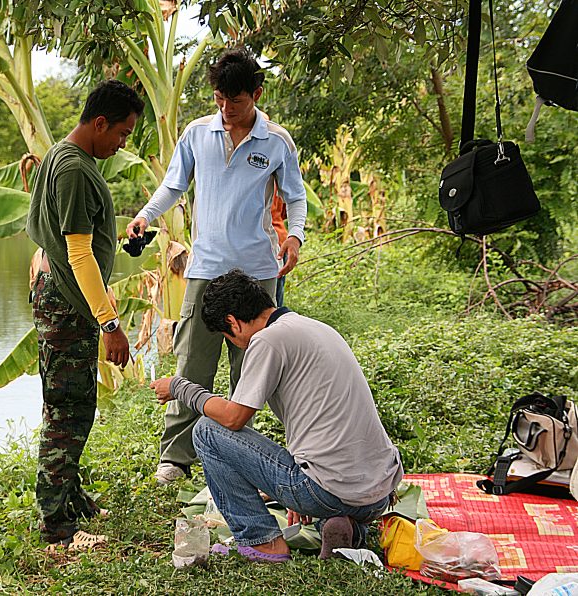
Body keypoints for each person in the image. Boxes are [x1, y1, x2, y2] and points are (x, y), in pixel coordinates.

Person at [126, 48, 308, 484]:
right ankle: (176, 456)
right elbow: (173, 185)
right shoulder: (196, 133)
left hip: (257, 273)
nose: (227, 109)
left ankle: (240, 456)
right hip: (205, 269)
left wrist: (296, 237)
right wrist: (145, 216)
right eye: (219, 99)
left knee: (253, 368)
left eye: (237, 101)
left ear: (257, 95)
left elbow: (296, 196)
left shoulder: (276, 140)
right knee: (192, 361)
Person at [151, 269, 403, 561]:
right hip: (378, 495)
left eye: (225, 335)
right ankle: (349, 529)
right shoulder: (314, 327)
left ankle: (262, 541)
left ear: (232, 322)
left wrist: (181, 387)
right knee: (322, 492)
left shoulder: (267, 340)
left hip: (330, 491)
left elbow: (233, 418)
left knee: (206, 431)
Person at [26, 79, 145, 548]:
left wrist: (118, 243)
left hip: (60, 296)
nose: (121, 144)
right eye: (121, 134)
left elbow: (79, 238)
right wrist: (110, 324)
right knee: (68, 410)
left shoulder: (61, 154)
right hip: (68, 304)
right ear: (99, 123)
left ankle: (70, 497)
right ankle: (57, 528)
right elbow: (77, 254)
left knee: (72, 403)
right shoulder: (75, 169)